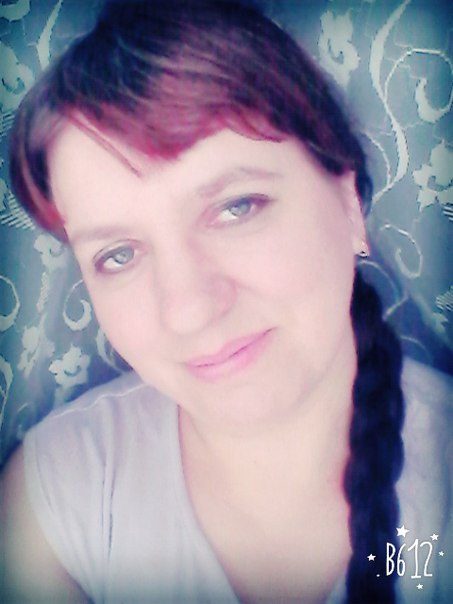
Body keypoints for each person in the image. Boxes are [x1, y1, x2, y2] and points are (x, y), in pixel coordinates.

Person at [1, 0, 452, 602]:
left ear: (349, 205)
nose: (188, 309)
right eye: (119, 255)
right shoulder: (57, 502)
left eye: (236, 207)